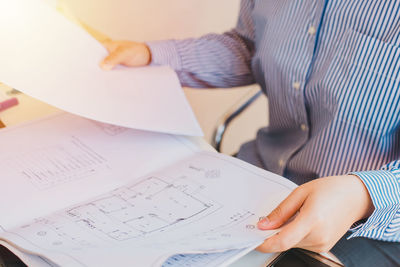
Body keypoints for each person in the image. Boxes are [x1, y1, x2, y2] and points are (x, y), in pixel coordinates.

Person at [100, 1, 400, 266]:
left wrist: (363, 195)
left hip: (372, 220)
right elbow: (249, 46)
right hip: (261, 174)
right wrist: (153, 55)